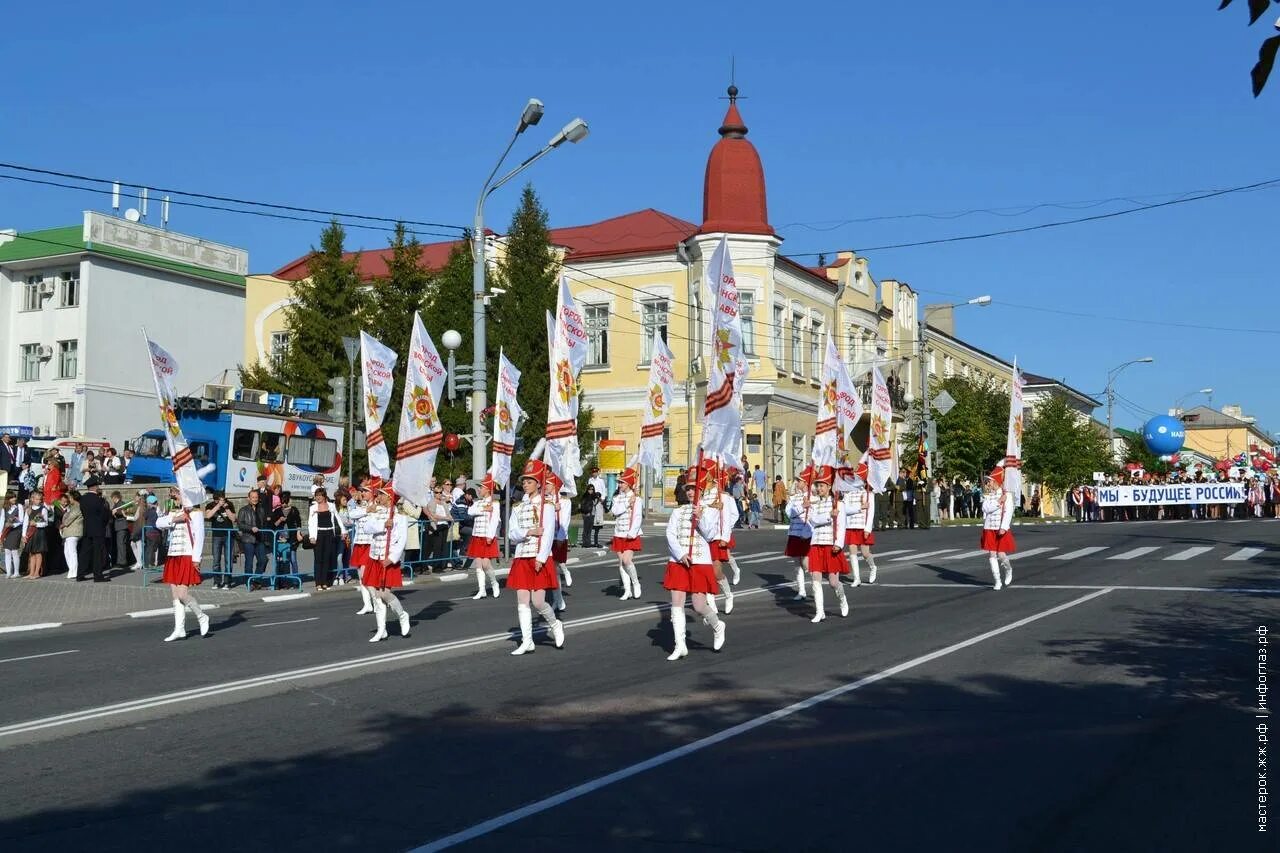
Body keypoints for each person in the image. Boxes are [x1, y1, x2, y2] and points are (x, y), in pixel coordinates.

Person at [663, 466, 726, 660]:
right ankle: (680, 645)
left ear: (701, 490)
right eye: (688, 488)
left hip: (700, 561)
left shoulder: (709, 510)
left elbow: (709, 535)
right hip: (679, 561)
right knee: (677, 604)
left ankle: (717, 625)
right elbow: (670, 533)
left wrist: (700, 518)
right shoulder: (679, 511)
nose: (690, 492)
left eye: (694, 488)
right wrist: (680, 553)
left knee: (699, 606)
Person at [505, 459, 565, 656]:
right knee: (522, 599)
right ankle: (527, 641)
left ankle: (555, 624)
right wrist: (529, 531)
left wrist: (540, 557)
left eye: (529, 481)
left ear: (538, 483)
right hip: (522, 555)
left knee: (538, 602)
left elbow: (547, 534)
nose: (525, 484)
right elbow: (511, 533)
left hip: (538, 556)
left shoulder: (546, 506)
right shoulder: (518, 506)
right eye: (524, 481)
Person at [359, 486, 411, 642]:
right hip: (375, 557)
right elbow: (367, 527)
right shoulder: (376, 512)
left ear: (389, 497)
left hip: (388, 560)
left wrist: (392, 558)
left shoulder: (400, 517)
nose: (378, 497)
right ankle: (382, 630)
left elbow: (402, 539)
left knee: (384, 594)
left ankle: (402, 615)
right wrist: (383, 525)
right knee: (376, 596)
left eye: (381, 495)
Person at [156, 498, 210, 642]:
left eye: (178, 494)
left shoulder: (196, 513)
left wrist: (196, 558)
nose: (175, 497)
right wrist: (176, 518)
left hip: (187, 554)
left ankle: (201, 616)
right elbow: (158, 523)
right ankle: (179, 629)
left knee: (182, 594)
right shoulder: (176, 511)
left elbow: (200, 535)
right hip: (173, 555)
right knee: (175, 595)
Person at [806, 466, 850, 623]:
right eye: (817, 486)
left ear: (829, 487)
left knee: (832, 582)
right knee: (815, 578)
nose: (819, 488)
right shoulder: (815, 503)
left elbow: (842, 524)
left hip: (831, 545)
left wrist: (839, 543)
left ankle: (842, 598)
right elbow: (813, 520)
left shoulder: (838, 504)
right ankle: (820, 611)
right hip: (816, 544)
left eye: (822, 485)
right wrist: (828, 516)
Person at [700, 460, 738, 614]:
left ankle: (728, 595)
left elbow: (729, 517)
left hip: (716, 537)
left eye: (705, 471)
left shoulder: (721, 494)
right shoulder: (700, 493)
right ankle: (710, 601)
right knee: (705, 572)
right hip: (702, 537)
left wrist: (725, 536)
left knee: (716, 571)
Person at [466, 474, 502, 600]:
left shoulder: (495, 503)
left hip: (487, 536)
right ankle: (482, 590)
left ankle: (494, 583)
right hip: (477, 535)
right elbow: (469, 512)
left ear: (488, 489)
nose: (479, 490)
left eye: (481, 488)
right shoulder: (478, 503)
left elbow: (495, 521)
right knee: (478, 564)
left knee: (486, 564)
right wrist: (483, 509)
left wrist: (490, 535)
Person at [842, 462, 879, 586]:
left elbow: (871, 512)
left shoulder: (868, 494)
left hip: (863, 527)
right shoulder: (848, 493)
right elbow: (845, 509)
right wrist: (859, 506)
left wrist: (868, 528)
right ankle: (856, 578)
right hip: (851, 526)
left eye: (858, 478)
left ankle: (873, 566)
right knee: (852, 552)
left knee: (865, 553)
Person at [610, 466, 643, 600]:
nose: (619, 484)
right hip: (619, 533)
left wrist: (632, 531)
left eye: (622, 482)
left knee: (627, 560)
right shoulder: (616, 498)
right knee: (621, 563)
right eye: (619, 482)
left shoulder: (637, 499)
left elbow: (638, 516)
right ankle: (627, 590)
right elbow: (615, 511)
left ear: (628, 484)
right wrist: (627, 504)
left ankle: (636, 583)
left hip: (630, 534)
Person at [981, 466, 1016, 590]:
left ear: (996, 481)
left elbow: (1008, 511)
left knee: (1001, 555)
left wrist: (1004, 527)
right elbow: (985, 508)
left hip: (1001, 527)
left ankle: (1008, 569)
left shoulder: (1007, 495)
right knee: (992, 554)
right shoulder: (988, 495)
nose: (988, 483)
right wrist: (999, 502)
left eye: (989, 481)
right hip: (989, 527)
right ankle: (997, 581)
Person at [346, 481, 377, 614]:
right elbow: (351, 514)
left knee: (366, 575)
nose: (362, 493)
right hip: (359, 542)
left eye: (365, 491)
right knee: (360, 575)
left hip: (370, 543)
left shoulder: (377, 506)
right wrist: (365, 510)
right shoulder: (362, 505)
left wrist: (369, 510)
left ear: (372, 493)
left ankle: (377, 602)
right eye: (362, 491)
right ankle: (367, 604)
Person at [784, 467, 815, 600]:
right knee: (797, 563)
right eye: (797, 480)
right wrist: (802, 507)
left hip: (806, 533)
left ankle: (815, 586)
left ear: (806, 483)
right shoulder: (795, 497)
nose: (797, 483)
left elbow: (813, 516)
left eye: (800, 480)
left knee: (806, 563)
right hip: (794, 533)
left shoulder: (813, 497)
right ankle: (801, 591)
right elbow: (789, 513)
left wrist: (807, 532)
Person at [308, 489, 345, 591]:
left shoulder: (331, 506)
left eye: (320, 495)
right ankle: (318, 583)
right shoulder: (313, 508)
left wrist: (343, 531)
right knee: (318, 559)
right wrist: (312, 536)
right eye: (316, 496)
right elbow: (310, 523)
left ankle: (324, 582)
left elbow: (338, 519)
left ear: (324, 496)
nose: (318, 497)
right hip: (319, 534)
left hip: (329, 533)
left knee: (326, 558)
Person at [547, 475, 573, 611]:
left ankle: (558, 600)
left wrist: (561, 538)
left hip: (558, 537)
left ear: (555, 486)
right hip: (547, 538)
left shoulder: (565, 501)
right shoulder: (545, 500)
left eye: (548, 483)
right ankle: (558, 599)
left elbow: (564, 521)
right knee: (552, 570)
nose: (545, 486)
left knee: (553, 568)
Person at [78, 478, 111, 583]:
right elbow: (104, 515)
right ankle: (98, 576)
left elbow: (83, 513)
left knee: (84, 552)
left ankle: (80, 574)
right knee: (98, 553)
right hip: (97, 529)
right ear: (95, 487)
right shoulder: (99, 500)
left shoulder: (83, 499)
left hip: (87, 528)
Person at [236, 488, 271, 587]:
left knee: (263, 560)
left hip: (260, 539)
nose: (255, 499)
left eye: (256, 497)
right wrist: (251, 528)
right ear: (248, 498)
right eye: (253, 497)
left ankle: (256, 579)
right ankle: (249, 582)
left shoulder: (261, 509)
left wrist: (266, 539)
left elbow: (264, 525)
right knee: (249, 562)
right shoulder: (243, 510)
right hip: (248, 539)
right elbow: (240, 525)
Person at [205, 492, 237, 588]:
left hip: (228, 535)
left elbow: (233, 519)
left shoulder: (229, 504)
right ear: (216, 500)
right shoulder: (210, 505)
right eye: (220, 500)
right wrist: (218, 506)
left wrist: (226, 508)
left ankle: (227, 581)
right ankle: (217, 581)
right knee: (216, 560)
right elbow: (208, 516)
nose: (222, 501)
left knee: (228, 559)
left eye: (223, 499)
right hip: (217, 535)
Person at [21, 493, 52, 578]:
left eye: (40, 499)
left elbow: (45, 523)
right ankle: (31, 572)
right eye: (37, 499)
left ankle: (36, 573)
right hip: (30, 533)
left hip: (39, 533)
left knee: (38, 553)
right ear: (32, 499)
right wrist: (23, 535)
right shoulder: (29, 509)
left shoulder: (43, 509)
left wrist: (36, 524)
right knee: (32, 553)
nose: (39, 501)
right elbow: (25, 523)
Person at [59, 491, 83, 581]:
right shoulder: (72, 507)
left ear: (73, 498)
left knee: (72, 552)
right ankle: (71, 570)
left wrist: (63, 524)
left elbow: (70, 518)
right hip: (68, 533)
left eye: (70, 497)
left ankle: (74, 571)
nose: (69, 499)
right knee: (67, 552)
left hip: (74, 532)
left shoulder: (77, 507)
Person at [2, 493, 23, 578]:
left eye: (15, 497)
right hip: (7, 531)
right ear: (8, 499)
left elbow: (21, 520)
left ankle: (16, 572)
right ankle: (8, 572)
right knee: (7, 551)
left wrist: (13, 525)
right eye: (12, 497)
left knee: (14, 551)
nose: (14, 499)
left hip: (16, 531)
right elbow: (2, 520)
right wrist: (1, 533)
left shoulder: (19, 506)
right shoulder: (5, 508)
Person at [579, 484, 602, 550]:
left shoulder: (594, 496)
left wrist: (597, 498)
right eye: (589, 489)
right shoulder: (585, 496)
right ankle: (585, 543)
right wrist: (585, 513)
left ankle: (588, 542)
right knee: (585, 529)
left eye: (592, 489)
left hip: (592, 514)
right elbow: (582, 505)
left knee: (589, 529)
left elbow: (595, 503)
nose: (591, 491)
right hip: (586, 514)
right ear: (587, 489)